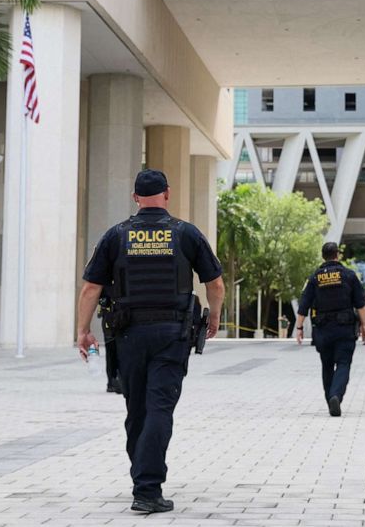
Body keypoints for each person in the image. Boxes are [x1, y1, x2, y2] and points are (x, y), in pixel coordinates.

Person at [76, 169, 225, 514]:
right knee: (160, 408)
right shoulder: (185, 234)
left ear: (135, 198)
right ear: (167, 194)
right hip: (172, 336)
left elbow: (90, 288)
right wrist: (215, 316)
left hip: (128, 336)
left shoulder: (116, 236)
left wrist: (83, 331)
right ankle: (147, 488)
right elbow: (214, 284)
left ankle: (142, 475)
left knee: (137, 408)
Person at [296, 242, 365, 417]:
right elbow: (360, 303)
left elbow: (304, 304)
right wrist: (364, 325)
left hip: (323, 329)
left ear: (323, 256)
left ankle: (330, 399)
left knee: (327, 365)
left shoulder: (314, 278)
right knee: (343, 363)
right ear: (337, 255)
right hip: (344, 328)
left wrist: (299, 327)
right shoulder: (349, 275)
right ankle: (336, 395)